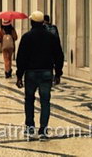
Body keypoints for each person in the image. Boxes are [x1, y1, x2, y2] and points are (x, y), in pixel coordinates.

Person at [16, 11, 64, 140]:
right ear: (43, 22)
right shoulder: (51, 37)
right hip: (46, 72)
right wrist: (58, 73)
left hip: (31, 73)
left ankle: (30, 127)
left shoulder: (27, 37)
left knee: (29, 100)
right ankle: (43, 129)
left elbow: (21, 57)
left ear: (31, 22)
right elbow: (59, 55)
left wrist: (19, 75)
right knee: (45, 101)